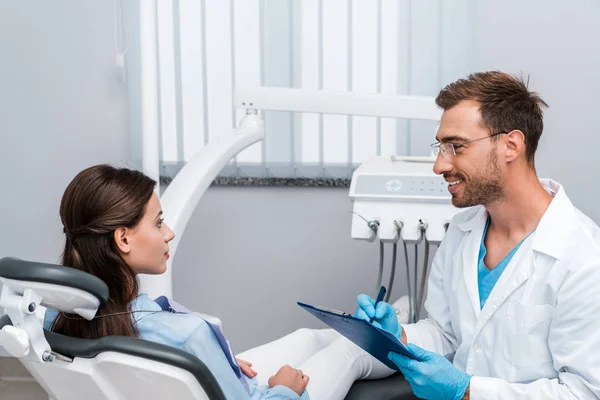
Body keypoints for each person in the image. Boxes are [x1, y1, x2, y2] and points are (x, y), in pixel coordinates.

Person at [44, 164, 396, 400]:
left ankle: (397, 328)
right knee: (354, 349)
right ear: (123, 239)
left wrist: (217, 361)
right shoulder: (186, 336)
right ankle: (423, 349)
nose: (169, 233)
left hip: (219, 384)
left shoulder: (59, 318)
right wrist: (283, 389)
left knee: (310, 338)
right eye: (158, 223)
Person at [356, 71, 600, 399]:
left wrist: (468, 390)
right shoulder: (463, 231)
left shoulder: (583, 257)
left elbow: (583, 391)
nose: (439, 166)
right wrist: (397, 335)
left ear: (511, 145)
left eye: (456, 146)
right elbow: (447, 335)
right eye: (440, 147)